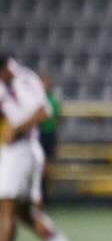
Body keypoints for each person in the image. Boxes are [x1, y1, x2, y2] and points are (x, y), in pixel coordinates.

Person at [0, 54, 81, 241]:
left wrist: (16, 129)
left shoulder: (23, 81)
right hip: (15, 151)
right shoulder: (8, 82)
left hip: (21, 150)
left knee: (6, 207)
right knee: (23, 212)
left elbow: (44, 111)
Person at [37, 74, 61, 202]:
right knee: (38, 167)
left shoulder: (53, 100)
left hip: (48, 135)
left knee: (46, 167)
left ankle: (44, 195)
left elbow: (55, 118)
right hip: (38, 135)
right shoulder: (37, 99)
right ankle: (38, 195)